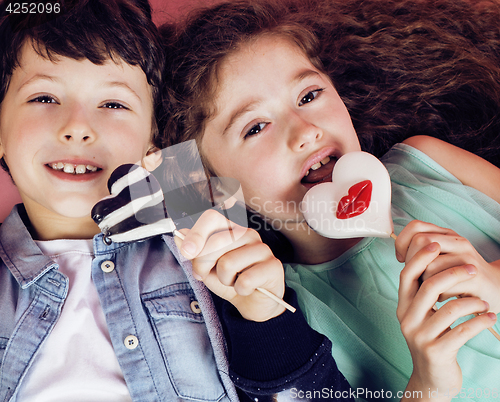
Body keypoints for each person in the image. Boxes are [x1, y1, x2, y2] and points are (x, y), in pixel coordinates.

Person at [0, 0, 353, 400]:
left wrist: (263, 318)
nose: (77, 128)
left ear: (156, 138)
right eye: (43, 98)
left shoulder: (200, 208)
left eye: (114, 104)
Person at [160, 0, 500, 400]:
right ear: (215, 187)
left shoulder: (427, 160)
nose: (305, 130)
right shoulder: (284, 314)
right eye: (256, 127)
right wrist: (428, 384)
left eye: (309, 95)